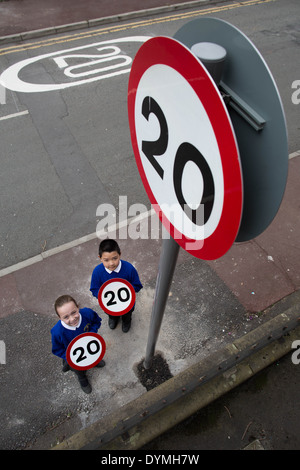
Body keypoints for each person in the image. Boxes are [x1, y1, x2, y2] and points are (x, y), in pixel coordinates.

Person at [51, 294, 105, 394]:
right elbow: (57, 349)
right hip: (74, 357)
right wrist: (70, 358)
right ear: (59, 318)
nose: (72, 319)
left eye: (74, 312)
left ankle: (95, 361)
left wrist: (92, 333)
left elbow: (96, 321)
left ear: (77, 307)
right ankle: (82, 379)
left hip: (91, 347)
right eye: (66, 317)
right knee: (79, 370)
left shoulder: (87, 313)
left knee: (94, 356)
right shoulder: (57, 332)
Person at [90, 239, 143, 332]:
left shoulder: (129, 268)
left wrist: (127, 288)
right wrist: (103, 294)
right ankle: (113, 318)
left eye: (115, 258)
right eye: (106, 260)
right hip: (109, 305)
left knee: (127, 314)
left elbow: (137, 285)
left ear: (120, 254)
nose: (111, 263)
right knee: (112, 314)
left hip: (127, 304)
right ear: (100, 258)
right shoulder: (97, 272)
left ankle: (126, 321)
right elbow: (94, 289)